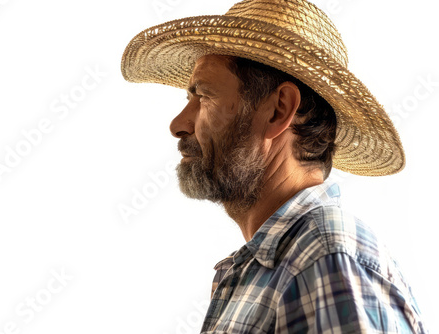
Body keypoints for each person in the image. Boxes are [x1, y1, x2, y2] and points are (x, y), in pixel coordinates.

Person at [121, 0, 426, 332]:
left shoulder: (324, 255)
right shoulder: (271, 268)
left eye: (205, 96)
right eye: (188, 100)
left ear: (279, 110)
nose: (178, 124)